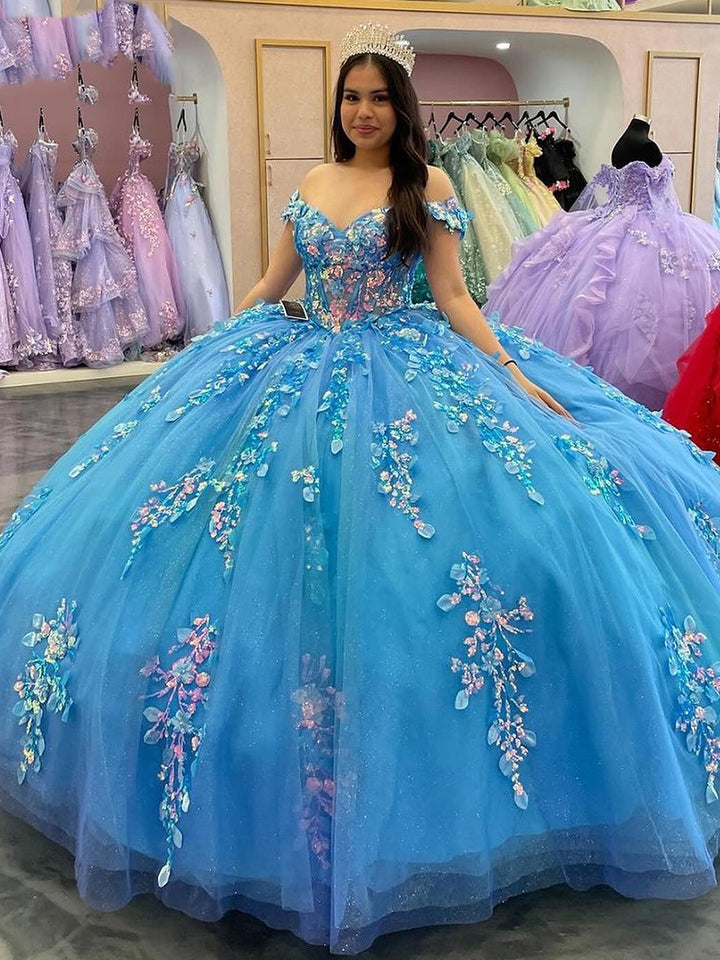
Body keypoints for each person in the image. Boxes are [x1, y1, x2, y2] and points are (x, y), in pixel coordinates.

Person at [2, 22, 720, 956]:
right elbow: (273, 281)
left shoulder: (430, 186)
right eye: (352, 97)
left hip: (404, 369)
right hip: (298, 365)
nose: (365, 111)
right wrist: (206, 352)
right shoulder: (311, 182)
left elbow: (452, 297)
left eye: (380, 98)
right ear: (337, 105)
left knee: (443, 556)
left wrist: (511, 370)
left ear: (401, 107)